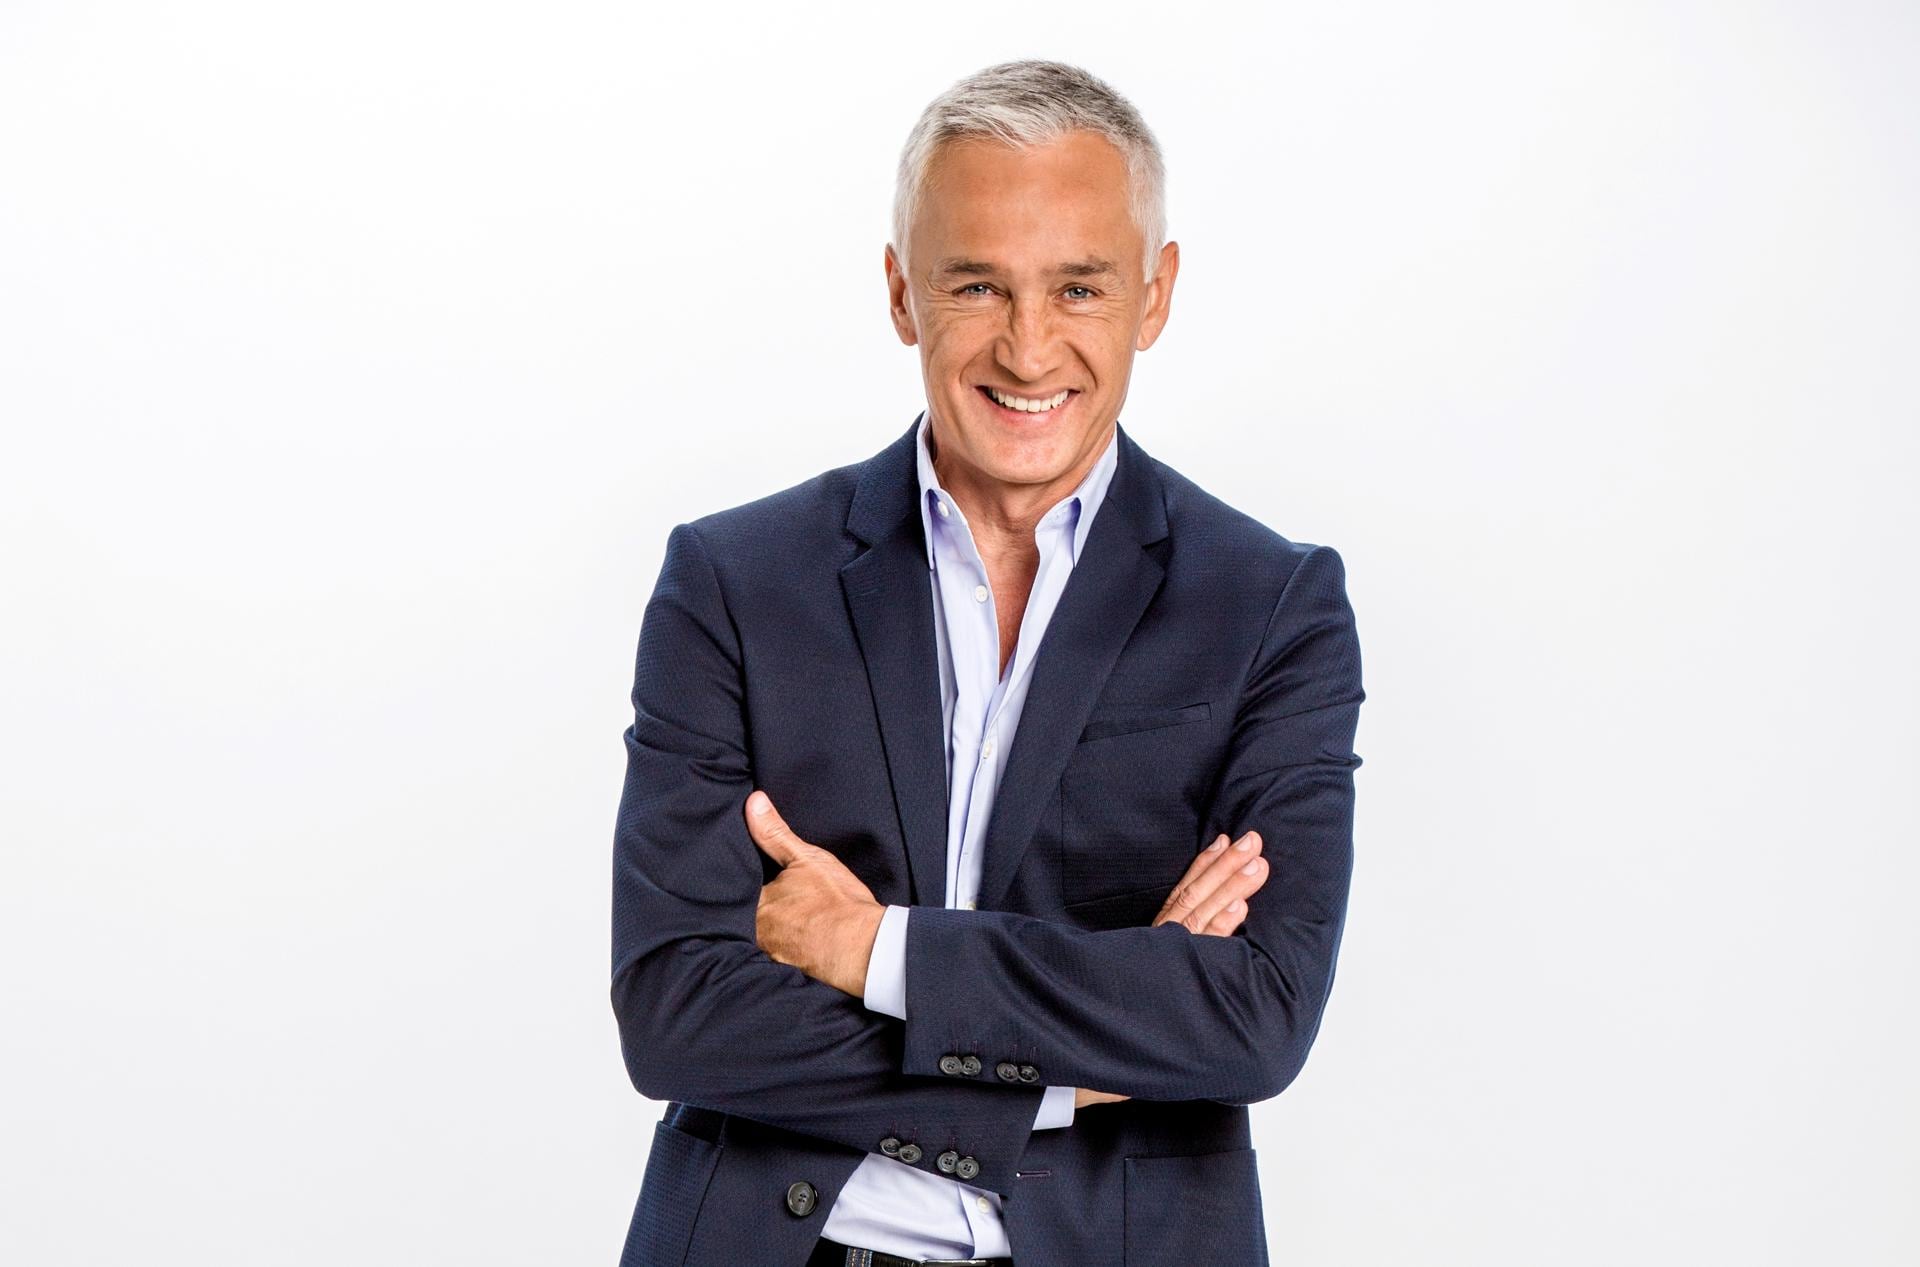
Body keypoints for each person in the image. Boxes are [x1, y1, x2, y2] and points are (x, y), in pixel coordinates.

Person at [609, 58, 1365, 1267]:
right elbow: (676, 1013)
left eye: (1079, 287)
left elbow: (1253, 1014)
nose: (1027, 347)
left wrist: (877, 953)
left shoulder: (1271, 608)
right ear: (901, 293)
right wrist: (1082, 1059)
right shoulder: (735, 583)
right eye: (976, 285)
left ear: (1155, 295)